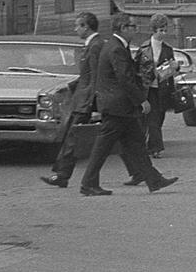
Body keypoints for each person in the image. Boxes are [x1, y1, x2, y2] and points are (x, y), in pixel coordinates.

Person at [78, 14, 178, 196]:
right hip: (117, 107)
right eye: (133, 26)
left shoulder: (117, 46)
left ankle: (153, 179)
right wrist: (141, 100)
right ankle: (88, 184)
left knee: (137, 143)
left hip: (120, 107)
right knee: (103, 147)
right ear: (123, 28)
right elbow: (124, 78)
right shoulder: (116, 48)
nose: (135, 30)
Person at [40, 12, 131, 188]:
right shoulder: (91, 45)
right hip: (85, 99)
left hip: (88, 102)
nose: (75, 29)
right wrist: (70, 87)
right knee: (119, 137)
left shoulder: (96, 46)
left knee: (75, 138)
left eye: (77, 26)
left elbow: (98, 75)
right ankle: (138, 171)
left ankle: (63, 175)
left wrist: (91, 102)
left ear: (86, 27)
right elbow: (86, 75)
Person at [136, 13, 178, 157]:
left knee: (159, 118)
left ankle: (149, 145)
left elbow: (172, 69)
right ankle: (156, 148)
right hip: (148, 88)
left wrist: (174, 67)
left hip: (162, 88)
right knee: (152, 119)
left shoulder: (167, 49)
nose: (163, 33)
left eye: (165, 30)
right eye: (161, 30)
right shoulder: (144, 48)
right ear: (154, 30)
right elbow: (136, 68)